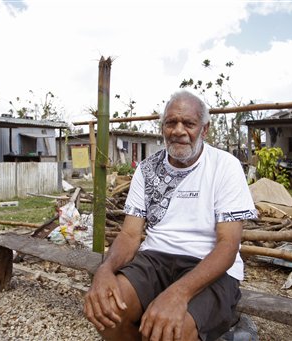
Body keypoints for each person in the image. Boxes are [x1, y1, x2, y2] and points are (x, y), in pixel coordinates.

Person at [84, 90, 257, 341]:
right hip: (155, 259)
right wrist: (105, 270)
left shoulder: (225, 166)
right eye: (171, 123)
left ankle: (226, 328)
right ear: (163, 127)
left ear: (204, 130)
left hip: (208, 265)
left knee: (169, 333)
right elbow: (130, 235)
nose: (178, 130)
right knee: (108, 311)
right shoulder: (146, 169)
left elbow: (228, 245)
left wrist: (178, 294)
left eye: (188, 123)